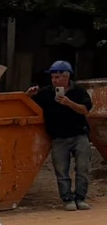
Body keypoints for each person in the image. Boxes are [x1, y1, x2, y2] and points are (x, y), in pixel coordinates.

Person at [27, 60, 94, 211]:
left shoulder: (79, 92)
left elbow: (85, 110)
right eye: (53, 77)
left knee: (82, 168)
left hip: (79, 135)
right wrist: (28, 95)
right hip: (58, 138)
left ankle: (80, 197)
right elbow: (30, 107)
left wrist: (69, 103)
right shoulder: (46, 93)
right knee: (61, 171)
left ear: (67, 77)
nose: (54, 80)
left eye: (57, 77)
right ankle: (67, 199)